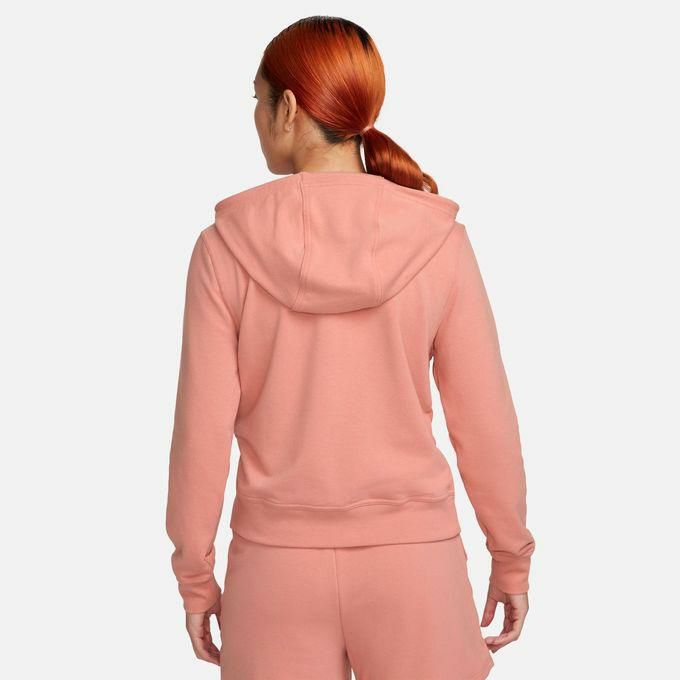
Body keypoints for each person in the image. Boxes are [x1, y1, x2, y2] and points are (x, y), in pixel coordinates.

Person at [166, 15, 535, 680]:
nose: (255, 117)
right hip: (415, 566)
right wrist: (510, 556)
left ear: (287, 108)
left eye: (257, 99)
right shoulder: (438, 241)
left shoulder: (222, 249)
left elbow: (200, 433)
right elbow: (484, 421)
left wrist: (196, 577)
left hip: (274, 571)